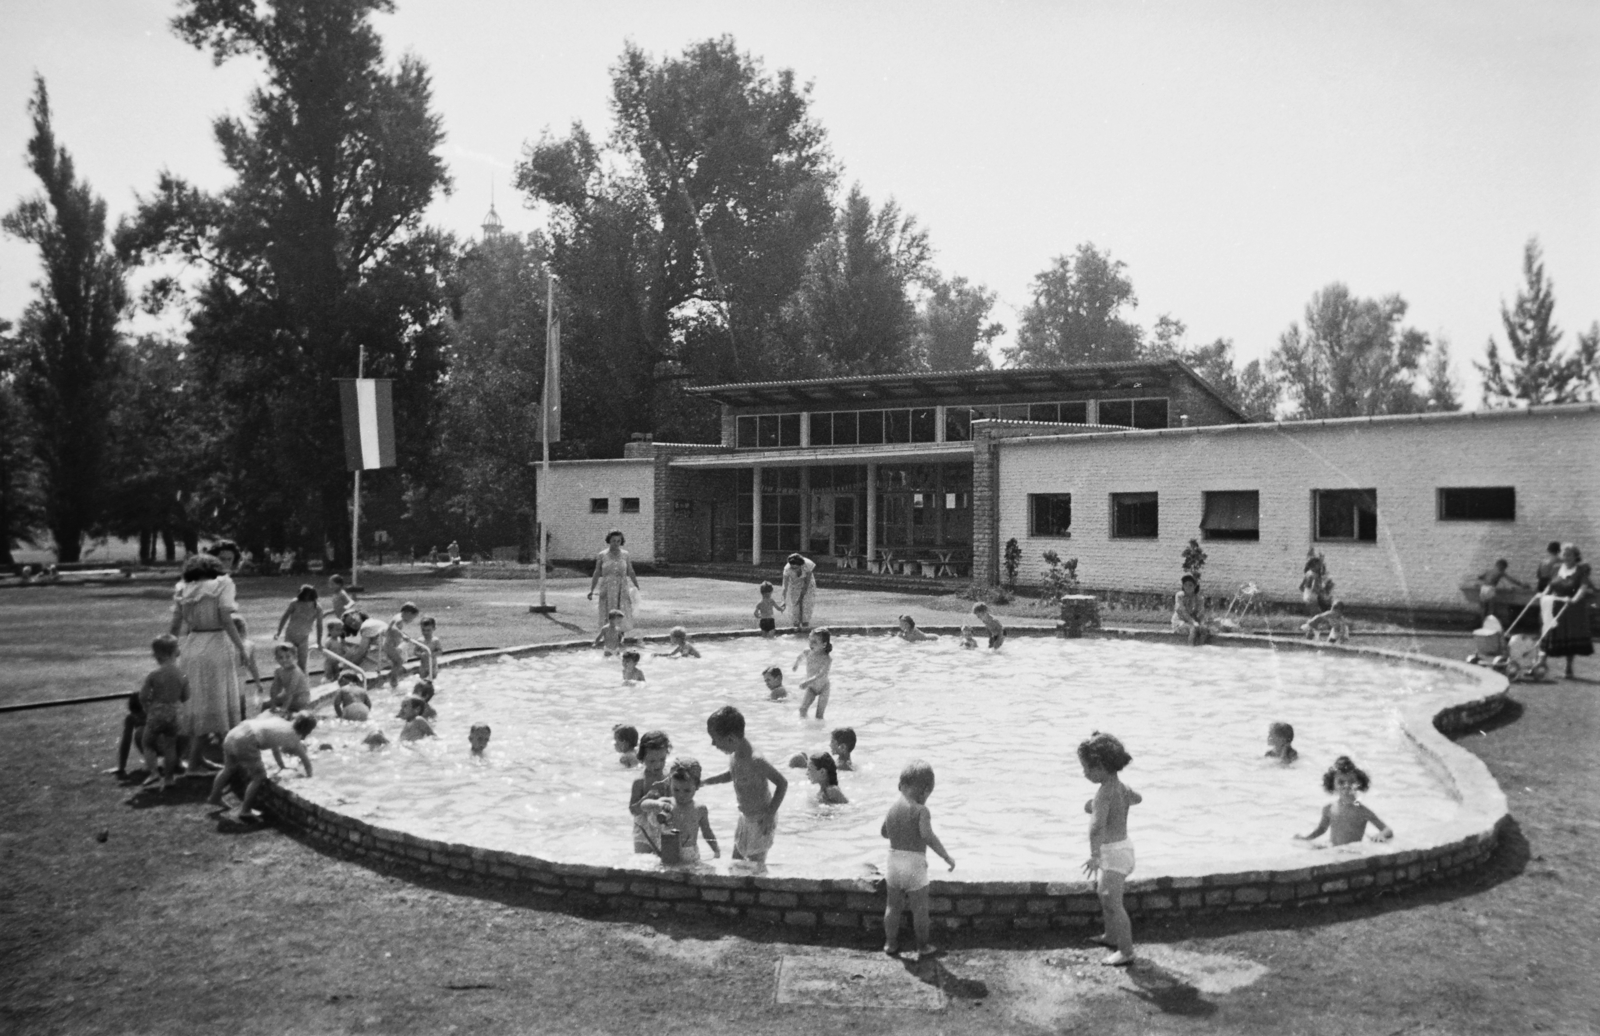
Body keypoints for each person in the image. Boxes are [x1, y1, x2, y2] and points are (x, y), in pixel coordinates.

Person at [170, 553, 251, 776]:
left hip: (192, 647)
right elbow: (226, 619)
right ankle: (217, 762)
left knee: (199, 705)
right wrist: (241, 647)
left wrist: (170, 650)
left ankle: (198, 759)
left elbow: (177, 623)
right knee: (218, 703)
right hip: (216, 646)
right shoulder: (223, 584)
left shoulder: (184, 588)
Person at [881, 759, 955, 961]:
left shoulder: (892, 809)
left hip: (893, 861)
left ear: (901, 785)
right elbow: (927, 836)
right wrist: (946, 857)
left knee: (892, 906)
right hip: (914, 864)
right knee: (920, 909)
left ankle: (890, 943)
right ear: (924, 790)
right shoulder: (921, 811)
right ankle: (922, 946)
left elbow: (884, 833)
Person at [1080, 731, 1142, 967]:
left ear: (1102, 766)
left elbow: (1096, 828)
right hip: (1122, 848)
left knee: (1113, 902)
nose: (1085, 773)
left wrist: (1094, 855)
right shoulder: (1119, 787)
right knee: (1105, 896)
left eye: (1088, 769)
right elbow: (1137, 798)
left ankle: (1126, 951)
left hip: (1113, 853)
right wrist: (1102, 806)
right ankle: (1111, 935)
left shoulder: (1104, 793)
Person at [703, 705, 787, 870]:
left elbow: (782, 783)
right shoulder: (736, 755)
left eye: (715, 738)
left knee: (754, 867)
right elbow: (732, 774)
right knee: (735, 864)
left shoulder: (755, 760)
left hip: (761, 819)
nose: (713, 743)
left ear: (731, 739)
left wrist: (770, 815)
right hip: (745, 817)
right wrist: (705, 782)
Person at [207, 712, 317, 819]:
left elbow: (275, 747)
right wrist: (310, 777)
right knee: (259, 777)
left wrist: (281, 765)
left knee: (228, 769)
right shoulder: (294, 738)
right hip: (247, 741)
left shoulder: (281, 722)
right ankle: (245, 811)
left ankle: (214, 796)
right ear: (308, 730)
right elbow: (306, 761)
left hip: (234, 733)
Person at [1296, 755, 1393, 846]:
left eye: (1351, 782)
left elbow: (1387, 830)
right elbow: (1321, 829)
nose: (1346, 785)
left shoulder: (1362, 811)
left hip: (1351, 854)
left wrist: (1381, 835)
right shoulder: (1328, 808)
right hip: (1333, 851)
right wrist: (1306, 839)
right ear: (1332, 785)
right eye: (1341, 782)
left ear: (1359, 784)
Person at [641, 757, 720, 864]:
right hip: (667, 849)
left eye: (687, 790)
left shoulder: (699, 808)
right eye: (676, 790)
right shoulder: (667, 803)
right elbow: (644, 805)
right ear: (669, 783)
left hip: (690, 852)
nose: (681, 795)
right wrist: (657, 804)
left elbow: (707, 832)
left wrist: (716, 850)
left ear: (696, 786)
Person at [138, 634, 190, 789]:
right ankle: (169, 778)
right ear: (175, 652)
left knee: (147, 742)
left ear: (157, 655)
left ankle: (153, 772)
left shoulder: (154, 675)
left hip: (157, 712)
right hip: (174, 713)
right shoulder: (182, 675)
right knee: (170, 745)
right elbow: (186, 696)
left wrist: (148, 709)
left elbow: (143, 696)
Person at [1545, 543, 1594, 678]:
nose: (1566, 557)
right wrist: (1543, 594)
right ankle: (1541, 663)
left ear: (1575, 556)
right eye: (1564, 554)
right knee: (1547, 634)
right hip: (1555, 605)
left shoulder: (1581, 570)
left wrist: (1575, 599)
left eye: (1569, 555)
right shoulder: (1556, 568)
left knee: (1569, 636)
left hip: (1572, 607)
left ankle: (1568, 667)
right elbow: (1550, 585)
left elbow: (1583, 587)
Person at [587, 529, 640, 634]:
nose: (616, 543)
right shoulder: (602, 555)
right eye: (613, 541)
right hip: (607, 586)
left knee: (622, 608)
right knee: (608, 609)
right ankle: (608, 634)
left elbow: (630, 570)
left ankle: (621, 634)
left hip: (622, 585)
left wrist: (636, 585)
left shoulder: (625, 554)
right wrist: (591, 590)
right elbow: (597, 572)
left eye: (618, 541)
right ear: (609, 541)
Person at [628, 730, 673, 853]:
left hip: (663, 828)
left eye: (662, 759)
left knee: (667, 861)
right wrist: (645, 799)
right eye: (652, 761)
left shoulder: (668, 778)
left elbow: (675, 802)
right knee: (643, 861)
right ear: (642, 759)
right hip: (643, 829)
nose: (658, 764)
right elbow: (633, 810)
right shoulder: (640, 781)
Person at [274, 585, 324, 675]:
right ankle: (288, 680)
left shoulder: (317, 607)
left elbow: (319, 625)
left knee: (302, 664)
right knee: (287, 661)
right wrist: (278, 631)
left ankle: (302, 684)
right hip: (291, 635)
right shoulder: (295, 603)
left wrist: (319, 642)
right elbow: (285, 616)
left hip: (303, 638)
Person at [381, 603, 428, 690]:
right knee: (399, 662)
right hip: (389, 645)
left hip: (390, 644)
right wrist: (402, 635)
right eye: (413, 617)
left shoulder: (398, 617)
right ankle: (393, 681)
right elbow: (393, 628)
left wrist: (403, 635)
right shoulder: (399, 619)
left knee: (398, 661)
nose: (412, 620)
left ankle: (392, 678)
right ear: (408, 613)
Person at [794, 628, 834, 720]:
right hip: (812, 687)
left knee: (819, 716)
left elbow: (821, 674)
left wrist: (807, 682)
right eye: (810, 640)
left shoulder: (827, 659)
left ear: (824, 644)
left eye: (815, 642)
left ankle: (819, 731)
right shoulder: (807, 652)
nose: (811, 644)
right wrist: (796, 665)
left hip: (824, 688)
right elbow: (800, 657)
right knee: (802, 709)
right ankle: (805, 729)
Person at [264, 642, 312, 716]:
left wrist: (283, 709)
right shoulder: (279, 671)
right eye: (280, 657)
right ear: (276, 659)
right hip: (290, 697)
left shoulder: (295, 672)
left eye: (288, 657)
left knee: (291, 710)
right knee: (266, 704)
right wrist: (273, 704)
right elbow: (275, 688)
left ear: (295, 657)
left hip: (301, 698)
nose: (284, 660)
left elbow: (290, 692)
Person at [1475, 559, 1529, 624]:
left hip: (1483, 588)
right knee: (1491, 608)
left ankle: (1483, 623)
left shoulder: (1489, 571)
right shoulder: (1500, 572)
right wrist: (1522, 585)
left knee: (1483, 608)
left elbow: (1480, 577)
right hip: (1490, 589)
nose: (1504, 570)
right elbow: (1511, 580)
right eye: (1504, 568)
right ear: (1502, 566)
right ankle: (1490, 624)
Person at [780, 553, 818, 630]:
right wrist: (783, 600)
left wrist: (801, 597)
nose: (794, 569)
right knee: (795, 609)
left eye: (796, 568)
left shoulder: (808, 564)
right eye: (792, 568)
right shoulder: (787, 569)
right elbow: (785, 586)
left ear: (801, 565)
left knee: (806, 608)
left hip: (808, 585)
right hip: (794, 585)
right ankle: (796, 629)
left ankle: (805, 627)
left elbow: (807, 583)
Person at [1172, 574, 1212, 646]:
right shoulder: (1179, 596)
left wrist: (1202, 623)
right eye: (1185, 585)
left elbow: (1201, 613)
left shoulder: (1199, 598)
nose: (1188, 587)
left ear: (1195, 586)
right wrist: (1193, 622)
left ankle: (1200, 647)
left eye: (1190, 585)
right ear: (1183, 586)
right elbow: (1183, 612)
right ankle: (1190, 648)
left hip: (1194, 621)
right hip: (1179, 621)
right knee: (1192, 629)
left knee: (1204, 629)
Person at [114, 692, 146, 780]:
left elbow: (126, 741)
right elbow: (126, 741)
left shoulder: (156, 712)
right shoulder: (132, 718)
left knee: (141, 733)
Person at [1299, 550, 1331, 616]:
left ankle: (1310, 625)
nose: (1320, 567)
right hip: (1312, 597)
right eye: (1319, 565)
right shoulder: (1315, 575)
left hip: (1306, 595)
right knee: (1318, 616)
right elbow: (1314, 588)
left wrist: (1306, 592)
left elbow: (1301, 587)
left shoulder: (1307, 573)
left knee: (1313, 614)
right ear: (1315, 565)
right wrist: (1321, 593)